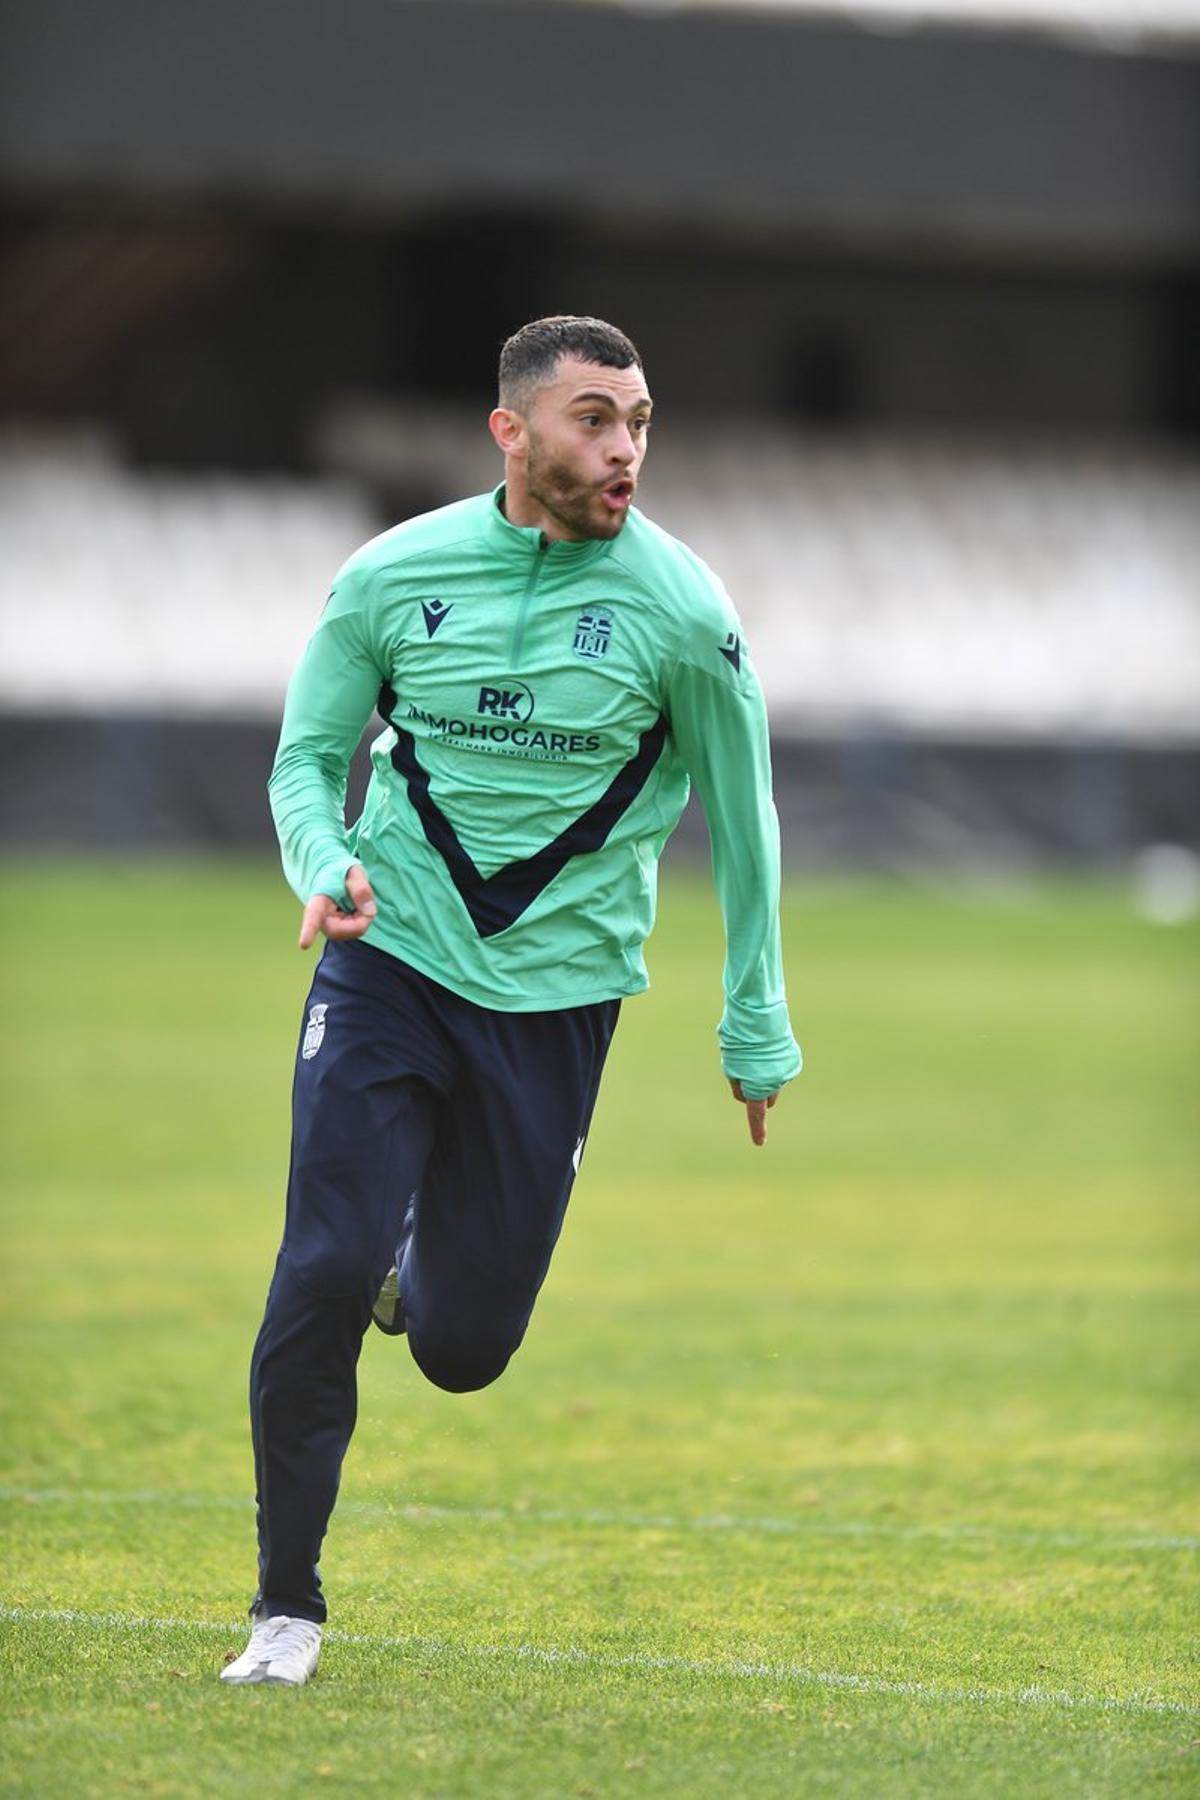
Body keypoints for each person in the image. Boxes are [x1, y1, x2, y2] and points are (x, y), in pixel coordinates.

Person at [220, 316, 801, 1687]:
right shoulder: (390, 575)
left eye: (641, 422)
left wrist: (755, 1019)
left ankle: (413, 1268)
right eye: (595, 420)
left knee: (467, 1350)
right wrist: (326, 861)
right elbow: (306, 761)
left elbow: (746, 812)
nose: (624, 451)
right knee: (317, 1267)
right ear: (513, 431)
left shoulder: (682, 609)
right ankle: (284, 1613)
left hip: (556, 1006)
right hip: (388, 960)